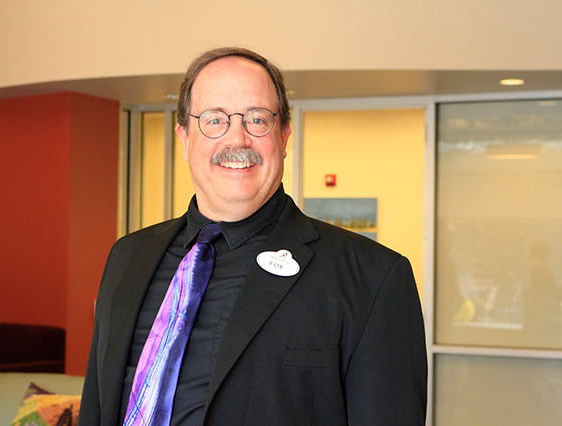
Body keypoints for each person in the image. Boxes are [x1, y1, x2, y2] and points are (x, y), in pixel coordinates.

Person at [79, 47, 427, 425]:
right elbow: (97, 406)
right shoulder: (127, 257)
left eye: (257, 119)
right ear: (184, 138)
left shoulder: (372, 278)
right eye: (214, 120)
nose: (237, 139)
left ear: (284, 136)